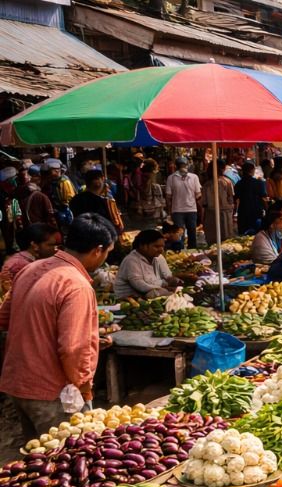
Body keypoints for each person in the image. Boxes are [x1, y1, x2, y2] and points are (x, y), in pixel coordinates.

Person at [0, 213, 115, 442]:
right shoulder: (76, 285)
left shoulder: (31, 269)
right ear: (98, 250)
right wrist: (84, 387)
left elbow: (5, 318)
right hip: (52, 391)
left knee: (36, 458)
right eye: (107, 253)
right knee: (68, 456)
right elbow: (73, 348)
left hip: (18, 382)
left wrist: (91, 341)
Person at [114, 229, 181, 300]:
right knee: (159, 293)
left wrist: (175, 281)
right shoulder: (131, 260)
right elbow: (140, 286)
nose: (161, 250)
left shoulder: (158, 257)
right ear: (142, 246)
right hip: (130, 298)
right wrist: (165, 288)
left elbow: (168, 276)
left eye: (162, 247)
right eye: (157, 246)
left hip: (152, 292)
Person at [69, 169, 124, 234]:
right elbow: (115, 226)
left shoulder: (75, 199)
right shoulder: (103, 203)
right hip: (99, 235)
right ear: (99, 182)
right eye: (102, 179)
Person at [165, 157, 202, 248]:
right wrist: (169, 212)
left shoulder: (194, 177)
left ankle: (192, 250)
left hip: (191, 210)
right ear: (177, 166)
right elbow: (168, 196)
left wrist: (200, 209)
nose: (183, 167)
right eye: (181, 165)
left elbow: (198, 195)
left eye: (184, 165)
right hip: (177, 210)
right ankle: (179, 250)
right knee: (178, 233)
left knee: (192, 232)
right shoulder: (171, 178)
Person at [200, 159, 236, 243]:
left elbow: (204, 203)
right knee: (226, 240)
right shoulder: (227, 182)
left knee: (213, 240)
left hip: (211, 215)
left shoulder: (206, 184)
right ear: (222, 169)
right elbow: (231, 199)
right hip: (225, 214)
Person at [233, 161, 268, 235]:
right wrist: (267, 211)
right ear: (252, 170)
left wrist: (234, 213)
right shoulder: (259, 183)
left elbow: (235, 200)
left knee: (243, 236)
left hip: (243, 213)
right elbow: (264, 199)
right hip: (256, 213)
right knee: (257, 235)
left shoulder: (238, 184)